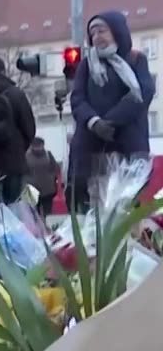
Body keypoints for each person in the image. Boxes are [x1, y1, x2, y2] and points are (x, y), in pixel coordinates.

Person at [69, 11, 155, 213]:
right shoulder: (86, 65)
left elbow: (143, 93)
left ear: (117, 32)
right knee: (97, 202)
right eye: (93, 33)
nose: (97, 36)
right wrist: (94, 122)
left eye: (102, 31)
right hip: (93, 144)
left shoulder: (136, 60)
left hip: (127, 142)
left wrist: (110, 121)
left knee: (125, 203)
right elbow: (78, 98)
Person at [0, 56, 38, 207]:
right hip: (13, 162)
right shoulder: (16, 93)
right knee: (13, 207)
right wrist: (19, 147)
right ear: (3, 71)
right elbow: (29, 128)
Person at [24, 137, 62, 216]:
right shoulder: (26, 156)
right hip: (32, 191)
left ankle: (46, 226)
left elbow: (56, 168)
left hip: (48, 190)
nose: (38, 148)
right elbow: (22, 171)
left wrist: (52, 178)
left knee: (48, 213)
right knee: (33, 214)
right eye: (35, 145)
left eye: (39, 145)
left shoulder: (48, 154)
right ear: (31, 145)